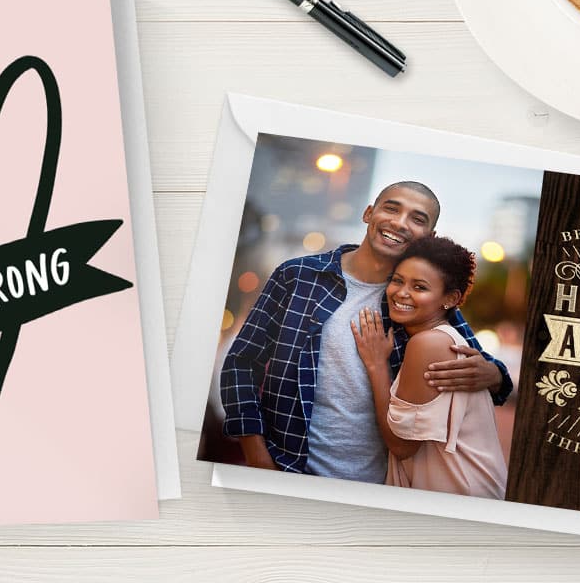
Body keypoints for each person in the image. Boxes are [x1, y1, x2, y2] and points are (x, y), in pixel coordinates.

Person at [219, 181, 513, 480]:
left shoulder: (421, 302)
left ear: (429, 237)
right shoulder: (297, 277)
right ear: (369, 213)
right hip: (287, 467)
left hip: (379, 483)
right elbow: (241, 363)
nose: (399, 223)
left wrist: (494, 375)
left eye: (417, 218)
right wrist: (256, 454)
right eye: (391, 208)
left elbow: (490, 372)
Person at [352, 236, 507, 498]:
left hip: (460, 492)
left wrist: (377, 365)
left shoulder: (429, 343)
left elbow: (401, 445)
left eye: (420, 287)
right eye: (398, 280)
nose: (401, 292)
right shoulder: (440, 337)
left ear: (450, 299)